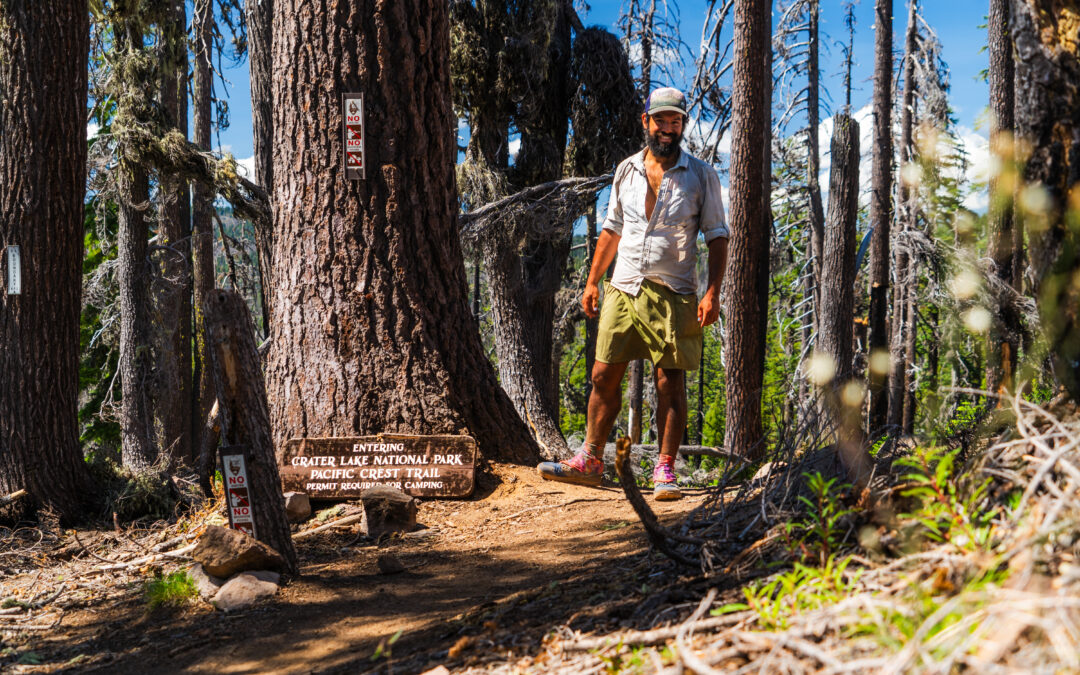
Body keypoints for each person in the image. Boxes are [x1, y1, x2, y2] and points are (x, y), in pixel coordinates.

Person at [537, 87, 729, 501]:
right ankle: (589, 460)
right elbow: (612, 229)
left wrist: (712, 292)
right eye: (661, 120)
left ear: (682, 125)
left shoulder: (700, 175)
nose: (668, 129)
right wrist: (592, 281)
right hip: (623, 286)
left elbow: (717, 237)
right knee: (603, 375)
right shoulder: (627, 170)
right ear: (647, 121)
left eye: (675, 121)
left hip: (675, 291)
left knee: (668, 382)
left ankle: (664, 470)